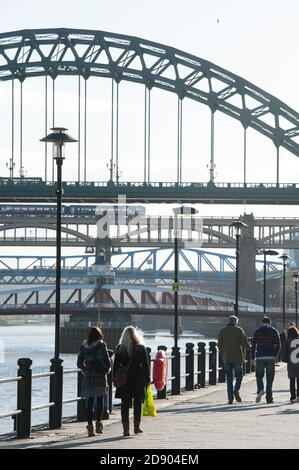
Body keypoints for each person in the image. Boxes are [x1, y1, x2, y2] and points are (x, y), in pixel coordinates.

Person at [113, 326, 150, 437]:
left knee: (124, 404)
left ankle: (126, 430)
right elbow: (145, 366)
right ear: (135, 335)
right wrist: (147, 380)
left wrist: (115, 378)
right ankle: (136, 427)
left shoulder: (120, 348)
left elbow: (115, 366)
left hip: (124, 380)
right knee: (137, 403)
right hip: (138, 379)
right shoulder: (140, 348)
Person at [77, 326, 111, 437]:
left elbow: (79, 362)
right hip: (100, 376)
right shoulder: (101, 345)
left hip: (88, 377)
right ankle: (98, 424)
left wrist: (85, 369)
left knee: (89, 401)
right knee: (100, 400)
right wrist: (105, 369)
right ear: (99, 335)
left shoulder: (84, 346)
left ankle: (90, 426)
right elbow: (108, 362)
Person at [218, 315, 251, 404]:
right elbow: (245, 343)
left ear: (229, 321)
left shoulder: (223, 331)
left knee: (229, 378)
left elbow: (219, 345)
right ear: (236, 322)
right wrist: (251, 347)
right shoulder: (239, 330)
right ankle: (236, 390)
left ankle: (230, 398)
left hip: (227, 358)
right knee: (239, 375)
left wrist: (223, 353)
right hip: (237, 357)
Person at [251, 316, 281, 404]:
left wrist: (252, 358)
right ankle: (269, 398)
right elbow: (278, 345)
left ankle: (260, 389)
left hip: (260, 356)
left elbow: (253, 345)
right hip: (270, 357)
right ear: (270, 322)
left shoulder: (257, 331)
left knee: (259, 375)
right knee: (270, 378)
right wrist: (275, 355)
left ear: (262, 322)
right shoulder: (274, 331)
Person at [282, 325, 299, 402]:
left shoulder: (287, 341)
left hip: (291, 363)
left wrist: (285, 360)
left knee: (292, 380)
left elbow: (284, 353)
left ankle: (292, 397)